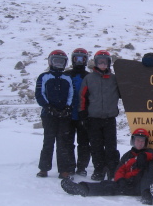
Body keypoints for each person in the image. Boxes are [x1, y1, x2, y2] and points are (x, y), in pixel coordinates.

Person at [61, 128, 153, 205]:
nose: (140, 143)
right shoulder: (127, 155)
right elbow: (119, 170)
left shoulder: (149, 153)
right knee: (107, 185)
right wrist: (120, 180)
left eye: (142, 141)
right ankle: (82, 188)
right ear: (133, 141)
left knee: (150, 165)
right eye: (137, 140)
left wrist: (144, 156)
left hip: (140, 186)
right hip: (126, 184)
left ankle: (146, 194)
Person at [79, 50, 121, 181]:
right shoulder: (89, 78)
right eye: (100, 61)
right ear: (96, 63)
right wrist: (83, 114)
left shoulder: (114, 79)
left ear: (109, 63)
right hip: (94, 118)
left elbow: (124, 93)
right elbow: (82, 97)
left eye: (105, 62)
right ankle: (99, 170)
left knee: (111, 146)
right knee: (96, 146)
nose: (103, 64)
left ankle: (112, 170)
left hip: (109, 118)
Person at [35, 50, 74, 179]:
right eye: (55, 61)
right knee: (48, 141)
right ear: (50, 61)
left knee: (63, 143)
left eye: (61, 61)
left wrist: (67, 107)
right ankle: (44, 168)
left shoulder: (67, 78)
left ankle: (64, 170)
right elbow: (39, 94)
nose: (58, 64)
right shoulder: (44, 77)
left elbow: (71, 94)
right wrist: (48, 107)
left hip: (63, 115)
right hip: (48, 114)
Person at [65, 48, 90, 176]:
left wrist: (87, 112)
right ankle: (69, 166)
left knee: (84, 143)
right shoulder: (67, 74)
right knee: (68, 142)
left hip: (83, 115)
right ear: (73, 59)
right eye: (77, 58)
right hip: (68, 115)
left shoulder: (89, 76)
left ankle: (82, 167)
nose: (79, 61)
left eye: (82, 58)